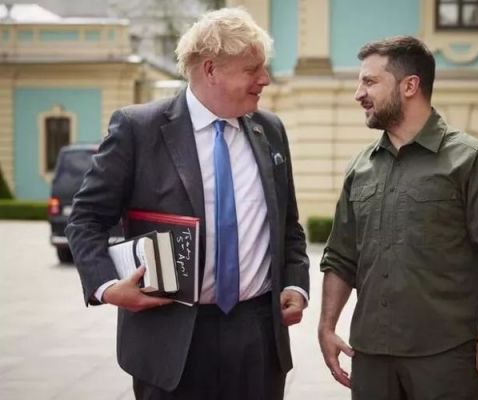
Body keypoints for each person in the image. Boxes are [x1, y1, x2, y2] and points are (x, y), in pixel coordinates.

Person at [66, 8, 309, 400]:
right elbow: (86, 218)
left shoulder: (270, 130)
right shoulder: (137, 129)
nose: (265, 79)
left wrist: (296, 283)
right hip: (170, 339)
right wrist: (107, 287)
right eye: (252, 69)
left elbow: (288, 225)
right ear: (210, 69)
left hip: (258, 336)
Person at [318, 35, 478, 400]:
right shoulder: (361, 167)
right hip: (371, 358)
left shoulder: (474, 161)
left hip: (445, 358)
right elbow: (341, 255)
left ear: (410, 86)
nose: (358, 94)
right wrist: (326, 326)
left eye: (369, 81)